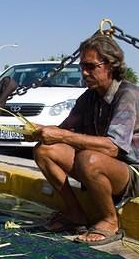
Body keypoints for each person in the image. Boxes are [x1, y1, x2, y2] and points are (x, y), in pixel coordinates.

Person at [31, 34, 139, 246]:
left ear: (110, 65)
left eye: (90, 66)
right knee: (44, 150)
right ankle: (74, 214)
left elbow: (113, 147)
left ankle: (109, 220)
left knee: (88, 159)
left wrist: (62, 135)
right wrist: (42, 131)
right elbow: (63, 132)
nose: (84, 73)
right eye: (82, 66)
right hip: (103, 165)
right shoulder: (89, 97)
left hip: (133, 172)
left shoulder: (127, 95)